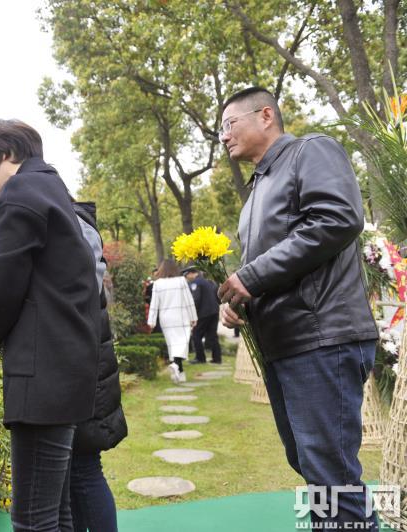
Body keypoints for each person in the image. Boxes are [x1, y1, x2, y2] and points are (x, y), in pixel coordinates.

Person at [217, 87, 379, 530]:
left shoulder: (312, 152)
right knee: (313, 467)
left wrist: (250, 278)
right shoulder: (258, 190)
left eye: (229, 124)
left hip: (322, 337)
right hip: (287, 344)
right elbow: (272, 268)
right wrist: (240, 304)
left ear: (265, 115)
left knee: (332, 474)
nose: (224, 136)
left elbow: (336, 219)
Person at [0, 119, 100, 531]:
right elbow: (34, 288)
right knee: (56, 513)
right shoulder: (53, 190)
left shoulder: (20, 195)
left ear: (4, 156)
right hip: (66, 367)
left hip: (42, 376)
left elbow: (6, 283)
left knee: (31, 518)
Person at [69, 200, 127, 532]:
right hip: (86, 366)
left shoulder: (73, 226)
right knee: (78, 472)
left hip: (82, 369)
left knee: (84, 469)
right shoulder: (78, 224)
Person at [147, 259, 197, 383]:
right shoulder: (181, 281)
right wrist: (193, 317)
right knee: (181, 343)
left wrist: (151, 321)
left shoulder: (157, 284)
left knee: (173, 344)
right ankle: (177, 367)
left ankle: (178, 369)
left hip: (166, 319)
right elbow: (189, 300)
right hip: (181, 317)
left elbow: (154, 304)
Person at [183, 266, 221, 364]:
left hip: (204, 313)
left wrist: (192, 315)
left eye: (186, 275)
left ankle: (200, 358)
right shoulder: (207, 282)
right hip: (214, 311)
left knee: (196, 335)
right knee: (212, 336)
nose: (186, 278)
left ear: (191, 273)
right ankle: (217, 358)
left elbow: (196, 299)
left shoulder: (196, 283)